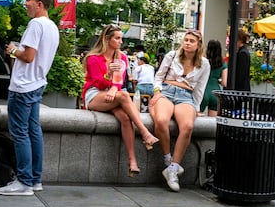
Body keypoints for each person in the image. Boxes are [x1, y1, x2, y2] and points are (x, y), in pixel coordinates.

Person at [0, 0, 59, 196]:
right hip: (37, 84)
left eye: (29, 0)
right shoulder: (52, 26)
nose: (25, 3)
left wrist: (12, 50)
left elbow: (28, 56)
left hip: (23, 86)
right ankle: (35, 179)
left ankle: (23, 181)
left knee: (20, 133)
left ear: (39, 4)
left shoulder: (35, 24)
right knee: (33, 132)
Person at [82, 24, 159, 177]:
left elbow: (119, 81)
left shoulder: (122, 57)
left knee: (124, 117)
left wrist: (113, 88)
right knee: (124, 96)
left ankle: (132, 162)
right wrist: (108, 74)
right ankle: (145, 133)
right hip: (95, 94)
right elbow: (98, 83)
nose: (120, 42)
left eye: (121, 38)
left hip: (113, 94)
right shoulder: (93, 58)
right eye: (117, 38)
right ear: (106, 39)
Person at [151, 29, 210, 191]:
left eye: (191, 41)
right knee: (161, 120)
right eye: (186, 40)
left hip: (186, 96)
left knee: (188, 126)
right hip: (167, 91)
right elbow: (158, 77)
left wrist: (196, 108)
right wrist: (157, 93)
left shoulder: (204, 63)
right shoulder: (171, 56)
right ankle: (169, 162)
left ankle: (173, 169)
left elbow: (200, 88)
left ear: (198, 45)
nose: (187, 43)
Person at [200, 39, 227, 116]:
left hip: (203, 91)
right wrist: (217, 80)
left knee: (197, 119)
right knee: (212, 123)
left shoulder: (203, 61)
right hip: (216, 93)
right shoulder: (223, 64)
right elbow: (224, 83)